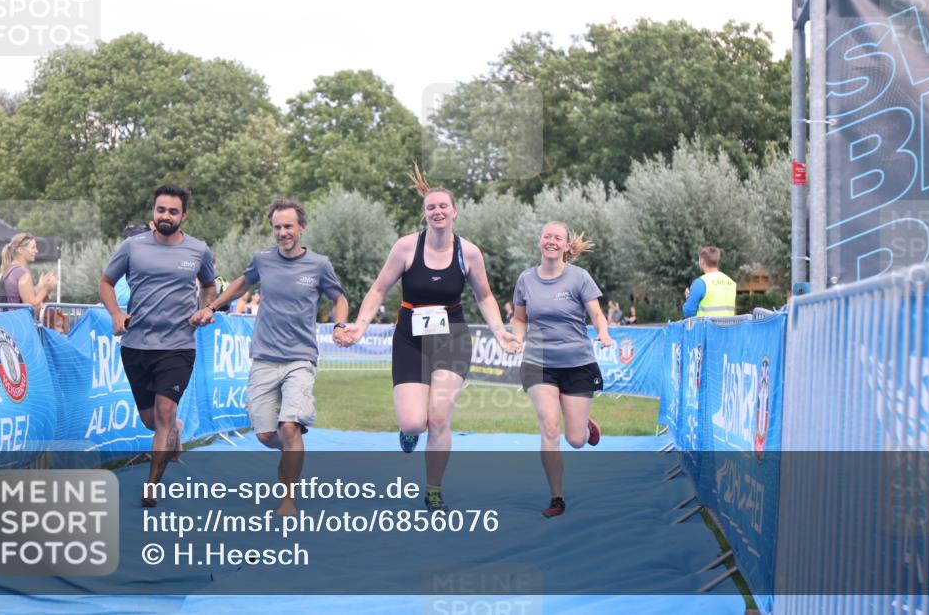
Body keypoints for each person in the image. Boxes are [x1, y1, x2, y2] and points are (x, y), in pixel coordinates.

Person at [337, 165, 519, 512]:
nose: (437, 211)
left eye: (443, 206)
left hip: (452, 338)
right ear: (425, 213)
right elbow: (378, 289)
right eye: (431, 207)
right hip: (410, 339)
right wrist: (360, 325)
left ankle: (433, 489)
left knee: (439, 417)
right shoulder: (406, 248)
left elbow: (484, 296)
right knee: (413, 422)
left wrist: (499, 331)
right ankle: (408, 433)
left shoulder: (470, 253)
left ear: (454, 212)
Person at [191, 198, 348, 515]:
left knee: (289, 426)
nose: (282, 232)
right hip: (264, 356)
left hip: (300, 358)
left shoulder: (319, 265)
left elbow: (339, 297)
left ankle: (288, 498)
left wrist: (340, 324)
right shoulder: (262, 260)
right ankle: (294, 450)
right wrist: (212, 306)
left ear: (301, 228)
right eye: (277, 227)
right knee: (265, 435)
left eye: (288, 226)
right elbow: (241, 284)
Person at [99, 184, 216, 507]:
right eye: (161, 209)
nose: (166, 216)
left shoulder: (198, 250)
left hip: (178, 345)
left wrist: (205, 309)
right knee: (152, 421)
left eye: (173, 211)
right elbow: (105, 282)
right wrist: (116, 313)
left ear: (184, 215)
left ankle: (151, 486)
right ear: (154, 211)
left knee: (164, 413)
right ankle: (174, 428)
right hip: (136, 344)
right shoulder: (132, 247)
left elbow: (209, 285)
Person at [510, 221, 613, 518]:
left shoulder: (579, 278)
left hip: (577, 362)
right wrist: (517, 338)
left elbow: (596, 313)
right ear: (539, 241)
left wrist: (603, 334)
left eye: (558, 237)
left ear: (567, 246)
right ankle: (557, 497)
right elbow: (519, 318)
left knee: (576, 440)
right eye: (547, 236)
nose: (551, 241)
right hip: (538, 363)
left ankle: (584, 424)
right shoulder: (526, 279)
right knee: (550, 426)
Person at [0, 232, 57, 315]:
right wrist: (46, 289)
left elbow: (21, 294)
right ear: (21, 250)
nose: (36, 251)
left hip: (9, 319)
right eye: (33, 247)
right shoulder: (22, 272)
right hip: (18, 321)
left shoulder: (10, 269)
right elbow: (32, 306)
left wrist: (41, 285)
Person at [683, 246, 737, 318]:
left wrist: (689, 299)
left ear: (702, 261)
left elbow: (689, 312)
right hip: (728, 328)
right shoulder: (731, 282)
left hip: (706, 328)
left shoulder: (700, 283)